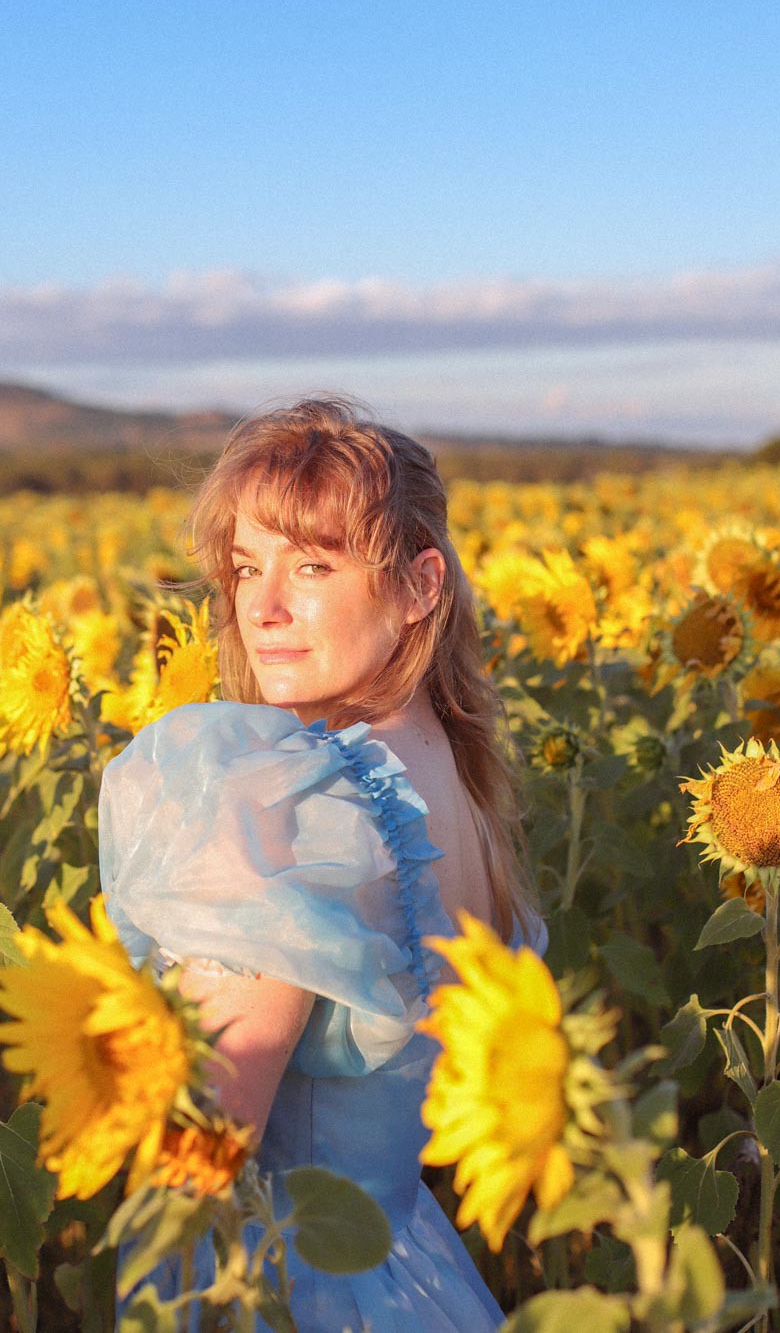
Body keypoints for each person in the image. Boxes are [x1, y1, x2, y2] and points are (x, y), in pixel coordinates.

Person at [99, 397, 539, 1331]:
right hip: (407, 1267)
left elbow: (198, 1161)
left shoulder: (293, 802)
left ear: (421, 586)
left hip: (287, 1283)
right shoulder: (454, 784)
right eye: (246, 567)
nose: (259, 607)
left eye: (313, 565)